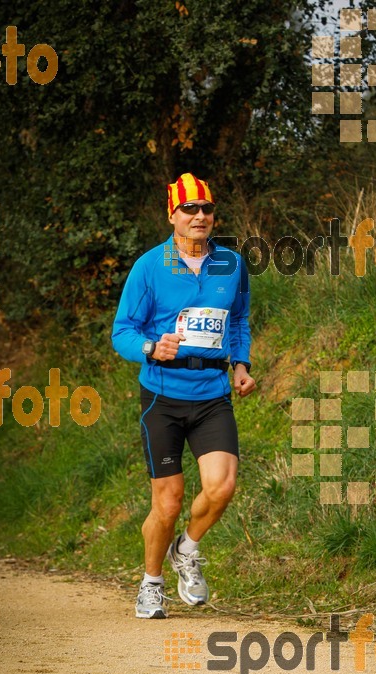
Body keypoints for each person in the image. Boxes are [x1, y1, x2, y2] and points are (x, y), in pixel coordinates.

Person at [112, 173, 256, 619]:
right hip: (163, 395)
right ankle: (151, 583)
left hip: (212, 393)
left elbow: (238, 320)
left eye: (206, 208)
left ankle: (187, 551)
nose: (199, 216)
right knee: (168, 501)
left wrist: (241, 364)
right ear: (171, 215)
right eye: (189, 209)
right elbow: (122, 333)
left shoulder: (231, 264)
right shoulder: (150, 266)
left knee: (222, 487)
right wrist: (151, 347)